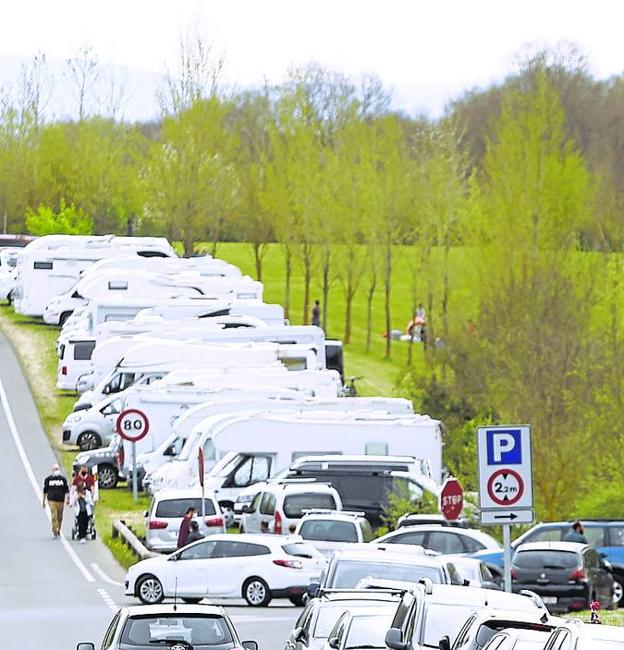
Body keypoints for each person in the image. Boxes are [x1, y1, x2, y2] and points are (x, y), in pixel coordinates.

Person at [42, 463, 69, 538]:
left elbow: (66, 490)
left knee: (59, 517)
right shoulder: (48, 480)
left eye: (57, 469)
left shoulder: (63, 480)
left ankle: (59, 529)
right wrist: (43, 501)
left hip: (60, 500)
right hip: (51, 500)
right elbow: (45, 491)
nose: (56, 471)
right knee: (54, 515)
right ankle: (54, 530)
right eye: (55, 469)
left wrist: (67, 499)